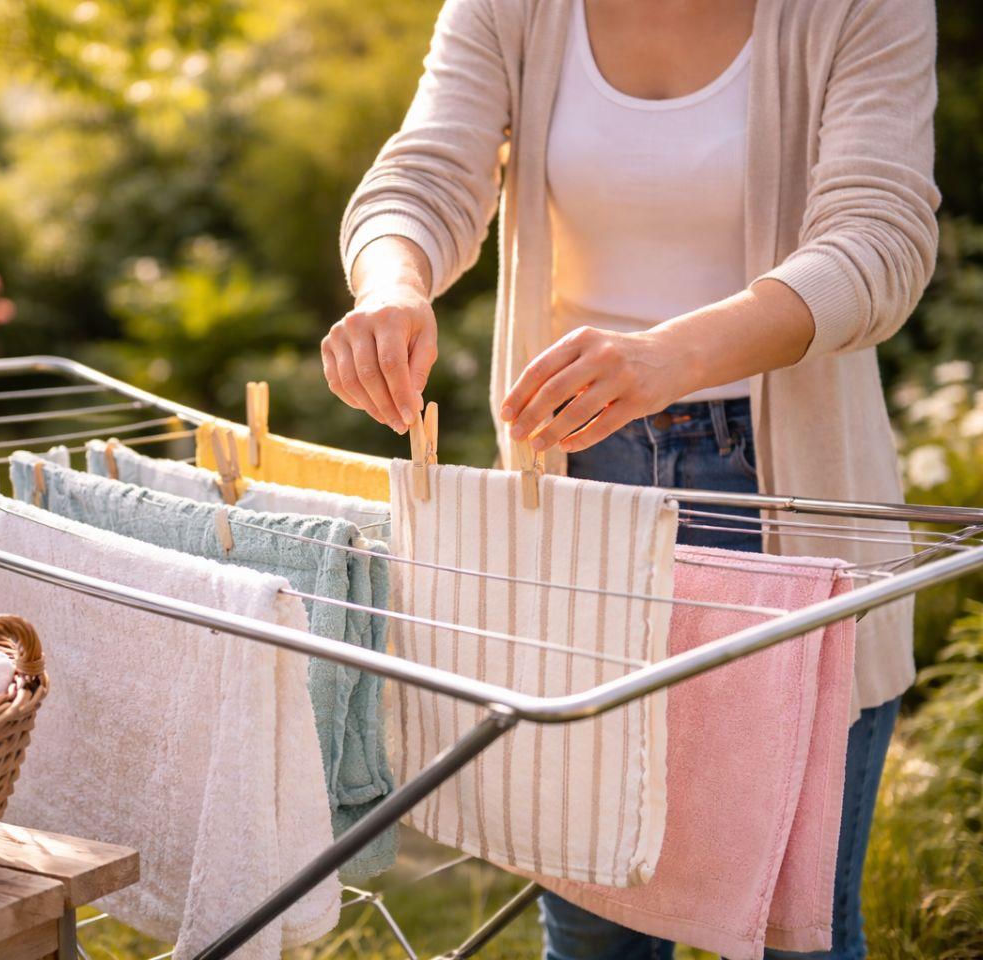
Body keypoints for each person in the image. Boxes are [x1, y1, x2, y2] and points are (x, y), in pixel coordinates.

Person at [330, 0, 939, 957]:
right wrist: (391, 286)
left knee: (796, 931)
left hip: (787, 491)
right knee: (593, 922)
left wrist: (668, 356)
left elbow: (880, 240)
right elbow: (424, 175)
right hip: (579, 486)